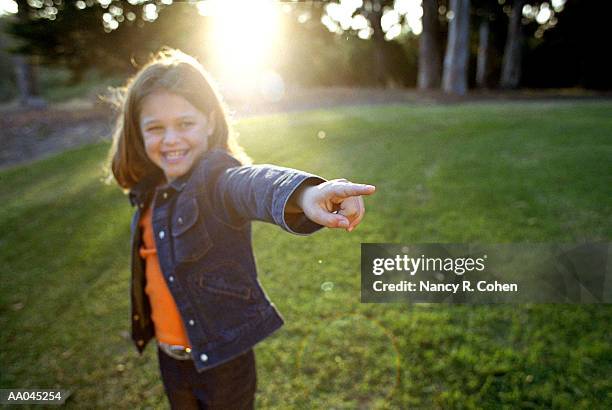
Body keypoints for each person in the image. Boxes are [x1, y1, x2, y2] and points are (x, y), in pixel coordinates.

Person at [106, 48, 375, 409]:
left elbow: (252, 185)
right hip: (171, 358)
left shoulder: (214, 180)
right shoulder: (147, 195)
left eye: (185, 123)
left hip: (224, 361)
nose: (170, 139)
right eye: (155, 128)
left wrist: (305, 194)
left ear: (211, 123)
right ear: (138, 134)